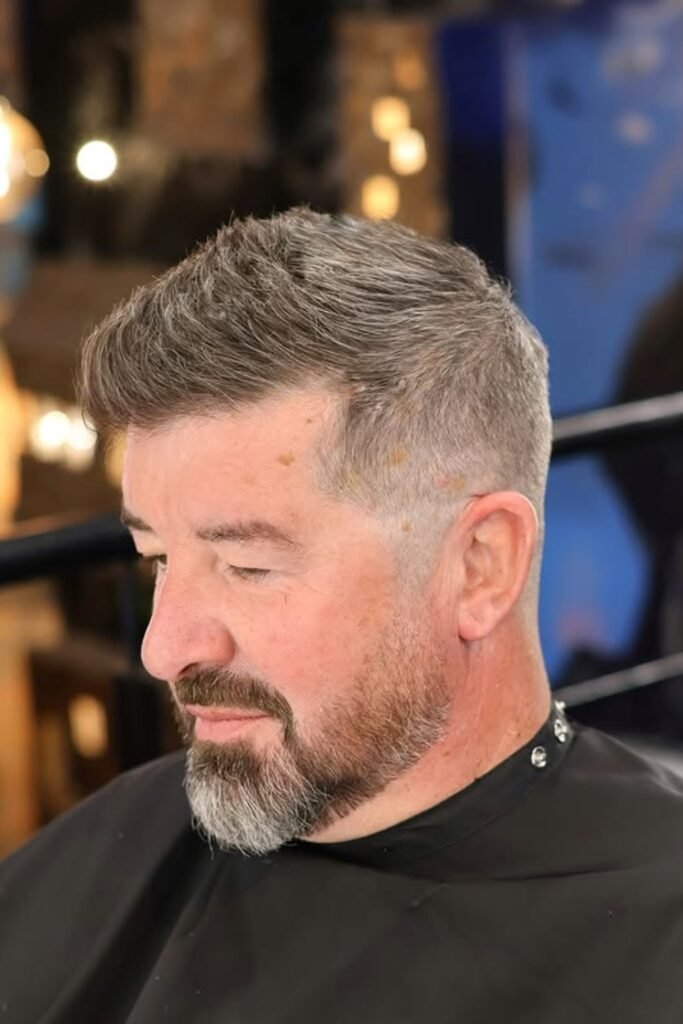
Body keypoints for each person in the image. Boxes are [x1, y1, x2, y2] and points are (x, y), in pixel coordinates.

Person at [1, 208, 681, 1023]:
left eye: (248, 566)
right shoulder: (113, 856)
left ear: (480, 566)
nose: (164, 647)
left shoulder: (653, 939)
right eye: (157, 559)